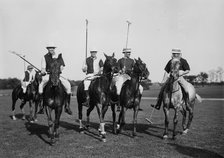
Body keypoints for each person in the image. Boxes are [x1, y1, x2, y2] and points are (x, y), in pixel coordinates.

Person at [38, 42, 72, 115]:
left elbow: (62, 66)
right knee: (41, 85)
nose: (51, 49)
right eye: (50, 48)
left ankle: (67, 106)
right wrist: (43, 71)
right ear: (47, 49)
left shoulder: (59, 56)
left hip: (58, 74)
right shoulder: (44, 57)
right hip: (48, 75)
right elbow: (43, 68)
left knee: (68, 85)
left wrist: (59, 70)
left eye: (52, 48)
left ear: (54, 48)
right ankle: (41, 106)